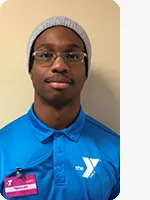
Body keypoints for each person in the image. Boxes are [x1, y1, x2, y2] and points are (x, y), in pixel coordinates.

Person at [0, 16, 120, 200]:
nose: (59, 65)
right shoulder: (3, 147)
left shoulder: (117, 151)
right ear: (30, 69)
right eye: (45, 55)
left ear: (85, 71)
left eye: (73, 56)